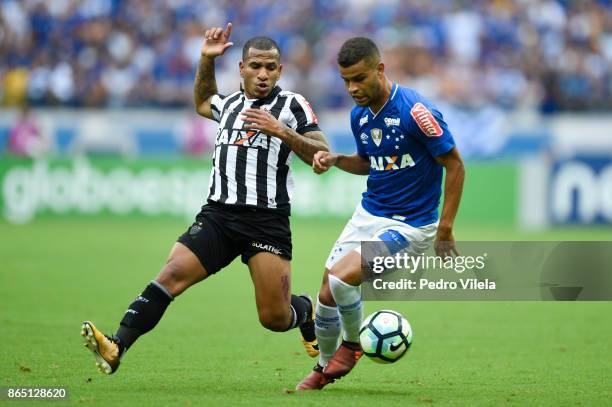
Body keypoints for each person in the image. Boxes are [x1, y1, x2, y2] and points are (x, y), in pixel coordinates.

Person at [81, 23, 330, 375]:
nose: (262, 74)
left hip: (266, 221)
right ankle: (117, 344)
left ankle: (305, 311)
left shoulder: (292, 105)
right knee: (171, 274)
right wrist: (206, 59)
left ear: (280, 70)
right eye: (255, 66)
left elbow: (322, 155)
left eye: (270, 67)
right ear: (241, 68)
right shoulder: (228, 104)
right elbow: (201, 100)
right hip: (218, 216)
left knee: (274, 318)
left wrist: (282, 131)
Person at [296, 37, 465, 390]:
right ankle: (324, 368)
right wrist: (337, 159)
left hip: (410, 226)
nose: (352, 88)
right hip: (369, 212)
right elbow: (369, 163)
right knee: (325, 296)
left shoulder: (415, 111)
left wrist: (445, 228)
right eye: (346, 81)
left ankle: (353, 344)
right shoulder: (359, 114)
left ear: (380, 69)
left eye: (359, 78)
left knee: (342, 280)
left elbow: (455, 165)